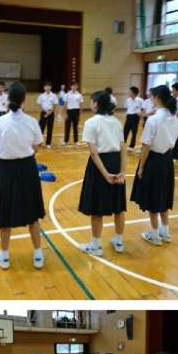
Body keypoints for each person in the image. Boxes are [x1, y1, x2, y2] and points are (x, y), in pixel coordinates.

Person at [0, 81, 46, 270]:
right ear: (24, 100)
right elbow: (36, 146)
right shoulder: (31, 121)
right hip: (27, 168)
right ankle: (38, 254)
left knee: (5, 213)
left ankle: (4, 256)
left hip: (6, 169)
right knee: (32, 213)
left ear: (8, 99)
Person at [78, 90, 127, 255]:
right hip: (116, 161)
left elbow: (94, 153)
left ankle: (96, 246)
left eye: (92, 101)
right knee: (118, 207)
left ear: (97, 104)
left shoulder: (91, 123)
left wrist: (105, 174)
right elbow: (123, 149)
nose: (90, 104)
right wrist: (122, 171)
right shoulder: (116, 122)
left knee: (97, 208)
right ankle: (119, 241)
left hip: (99, 165)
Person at [131, 85, 178, 245]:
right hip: (167, 160)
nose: (150, 99)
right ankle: (165, 232)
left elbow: (146, 146)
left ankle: (154, 234)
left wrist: (141, 167)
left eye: (151, 96)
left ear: (157, 98)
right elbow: (172, 144)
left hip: (153, 160)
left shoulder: (153, 120)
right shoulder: (175, 119)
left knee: (152, 197)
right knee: (163, 195)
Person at [37, 81, 58, 148]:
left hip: (51, 113)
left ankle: (48, 143)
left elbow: (55, 105)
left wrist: (50, 112)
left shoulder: (54, 96)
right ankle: (39, 142)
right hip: (43, 113)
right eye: (46, 86)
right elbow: (39, 105)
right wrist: (45, 112)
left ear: (51, 87)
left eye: (48, 86)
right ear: (44, 87)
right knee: (41, 128)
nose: (47, 87)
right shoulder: (41, 96)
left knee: (50, 128)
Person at [123, 86, 143, 151]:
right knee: (125, 131)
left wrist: (141, 116)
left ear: (134, 93)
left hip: (135, 117)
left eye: (130, 91)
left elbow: (143, 109)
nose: (129, 93)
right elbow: (127, 108)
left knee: (134, 132)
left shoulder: (140, 100)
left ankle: (131, 146)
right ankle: (123, 145)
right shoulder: (127, 100)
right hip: (129, 116)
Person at [63, 81, 84, 145]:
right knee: (67, 127)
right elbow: (65, 105)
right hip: (69, 111)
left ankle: (76, 141)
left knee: (75, 127)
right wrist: (65, 114)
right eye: (73, 85)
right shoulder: (67, 94)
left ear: (77, 87)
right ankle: (66, 141)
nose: (74, 87)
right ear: (71, 86)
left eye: (75, 85)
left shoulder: (79, 95)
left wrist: (80, 115)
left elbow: (81, 105)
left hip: (76, 111)